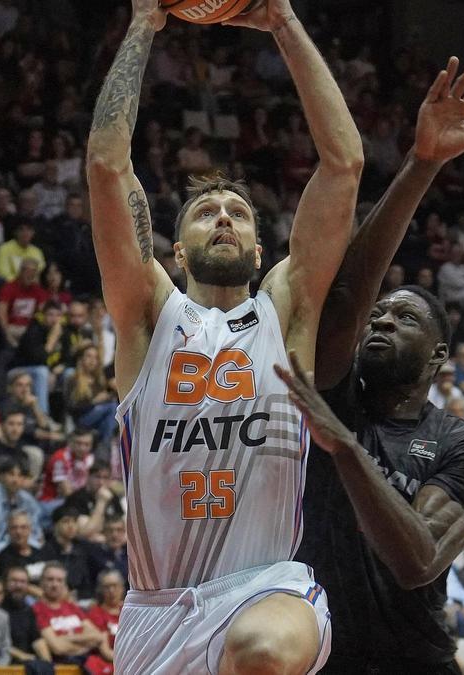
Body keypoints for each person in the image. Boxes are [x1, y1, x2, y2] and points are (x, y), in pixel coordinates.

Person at [89, 0, 363, 669]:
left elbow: (343, 164)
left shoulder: (286, 310)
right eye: (205, 212)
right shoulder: (150, 316)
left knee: (262, 649)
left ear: (261, 249)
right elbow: (105, 167)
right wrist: (143, 24)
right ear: (175, 251)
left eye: (238, 213)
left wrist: (283, 23)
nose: (223, 218)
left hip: (266, 587)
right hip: (157, 611)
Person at [33, 563, 104, 668]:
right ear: (41, 583)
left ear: (64, 584)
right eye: (50, 579)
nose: (55, 584)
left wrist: (66, 638)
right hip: (62, 667)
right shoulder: (38, 609)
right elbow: (57, 647)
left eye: (59, 580)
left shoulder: (72, 607)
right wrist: (85, 645)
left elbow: (97, 637)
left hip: (86, 664)